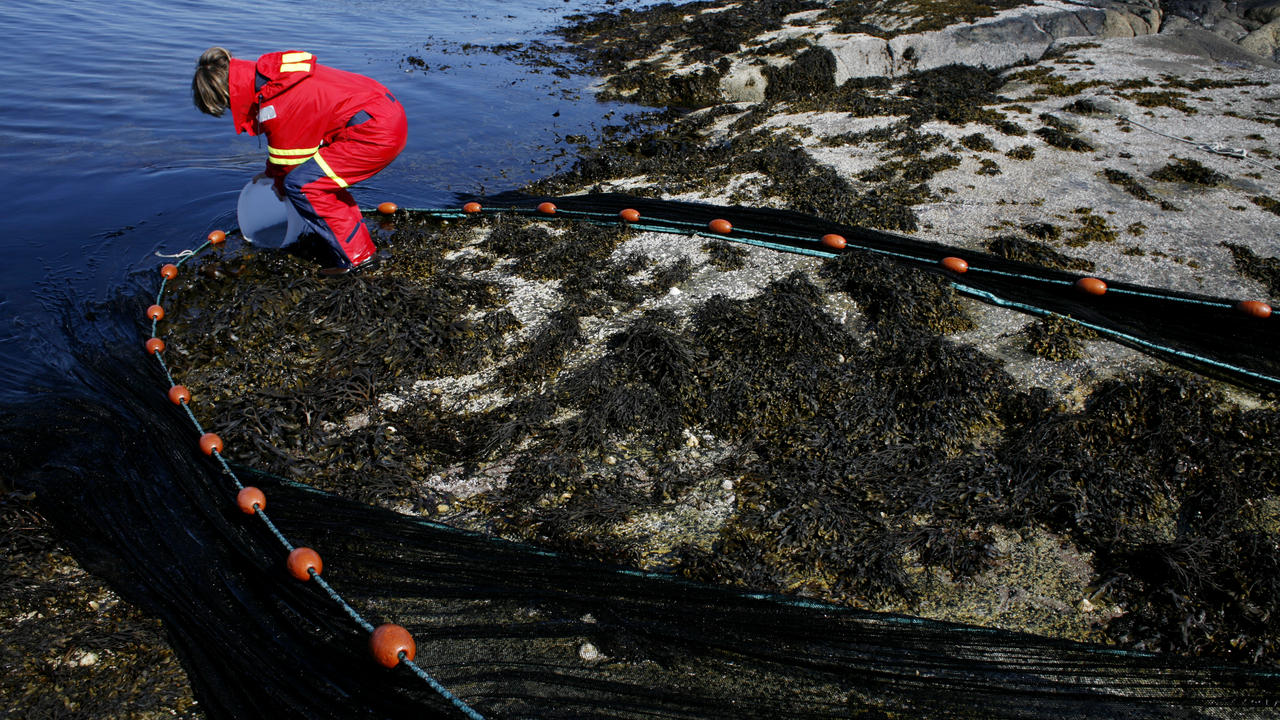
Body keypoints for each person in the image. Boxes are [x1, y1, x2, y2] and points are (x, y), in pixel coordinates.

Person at [192, 47, 407, 275]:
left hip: (375, 132)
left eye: (226, 107)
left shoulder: (278, 104)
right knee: (316, 178)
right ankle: (354, 241)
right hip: (380, 112)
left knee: (304, 185)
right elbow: (286, 151)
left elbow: (289, 162)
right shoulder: (273, 78)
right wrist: (271, 174)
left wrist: (278, 184)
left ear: (227, 95)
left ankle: (358, 260)